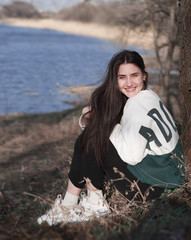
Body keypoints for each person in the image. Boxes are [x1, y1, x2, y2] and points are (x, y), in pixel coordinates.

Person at [37, 50, 185, 226]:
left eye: (134, 75)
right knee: (93, 136)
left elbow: (131, 156)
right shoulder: (148, 96)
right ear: (115, 79)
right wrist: (96, 122)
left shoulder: (137, 107)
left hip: (153, 187)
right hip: (167, 173)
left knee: (94, 138)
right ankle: (73, 204)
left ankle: (88, 204)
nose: (129, 83)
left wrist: (104, 127)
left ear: (144, 75)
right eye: (122, 77)